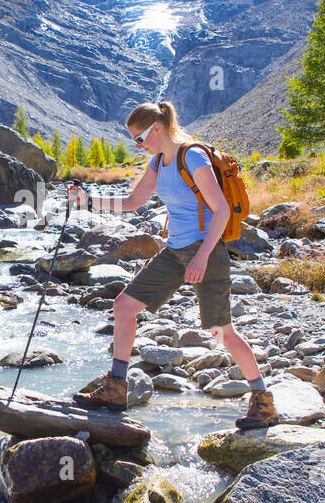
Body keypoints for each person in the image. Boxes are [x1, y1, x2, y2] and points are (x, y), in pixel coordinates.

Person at [67, 101, 279, 429]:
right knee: (124, 306)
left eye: (139, 139)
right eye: (134, 141)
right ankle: (116, 389)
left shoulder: (191, 156)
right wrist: (89, 200)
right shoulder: (158, 162)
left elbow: (221, 211)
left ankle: (263, 402)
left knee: (221, 332)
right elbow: (133, 202)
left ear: (157, 127)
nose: (138, 146)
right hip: (175, 250)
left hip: (205, 250)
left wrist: (202, 256)